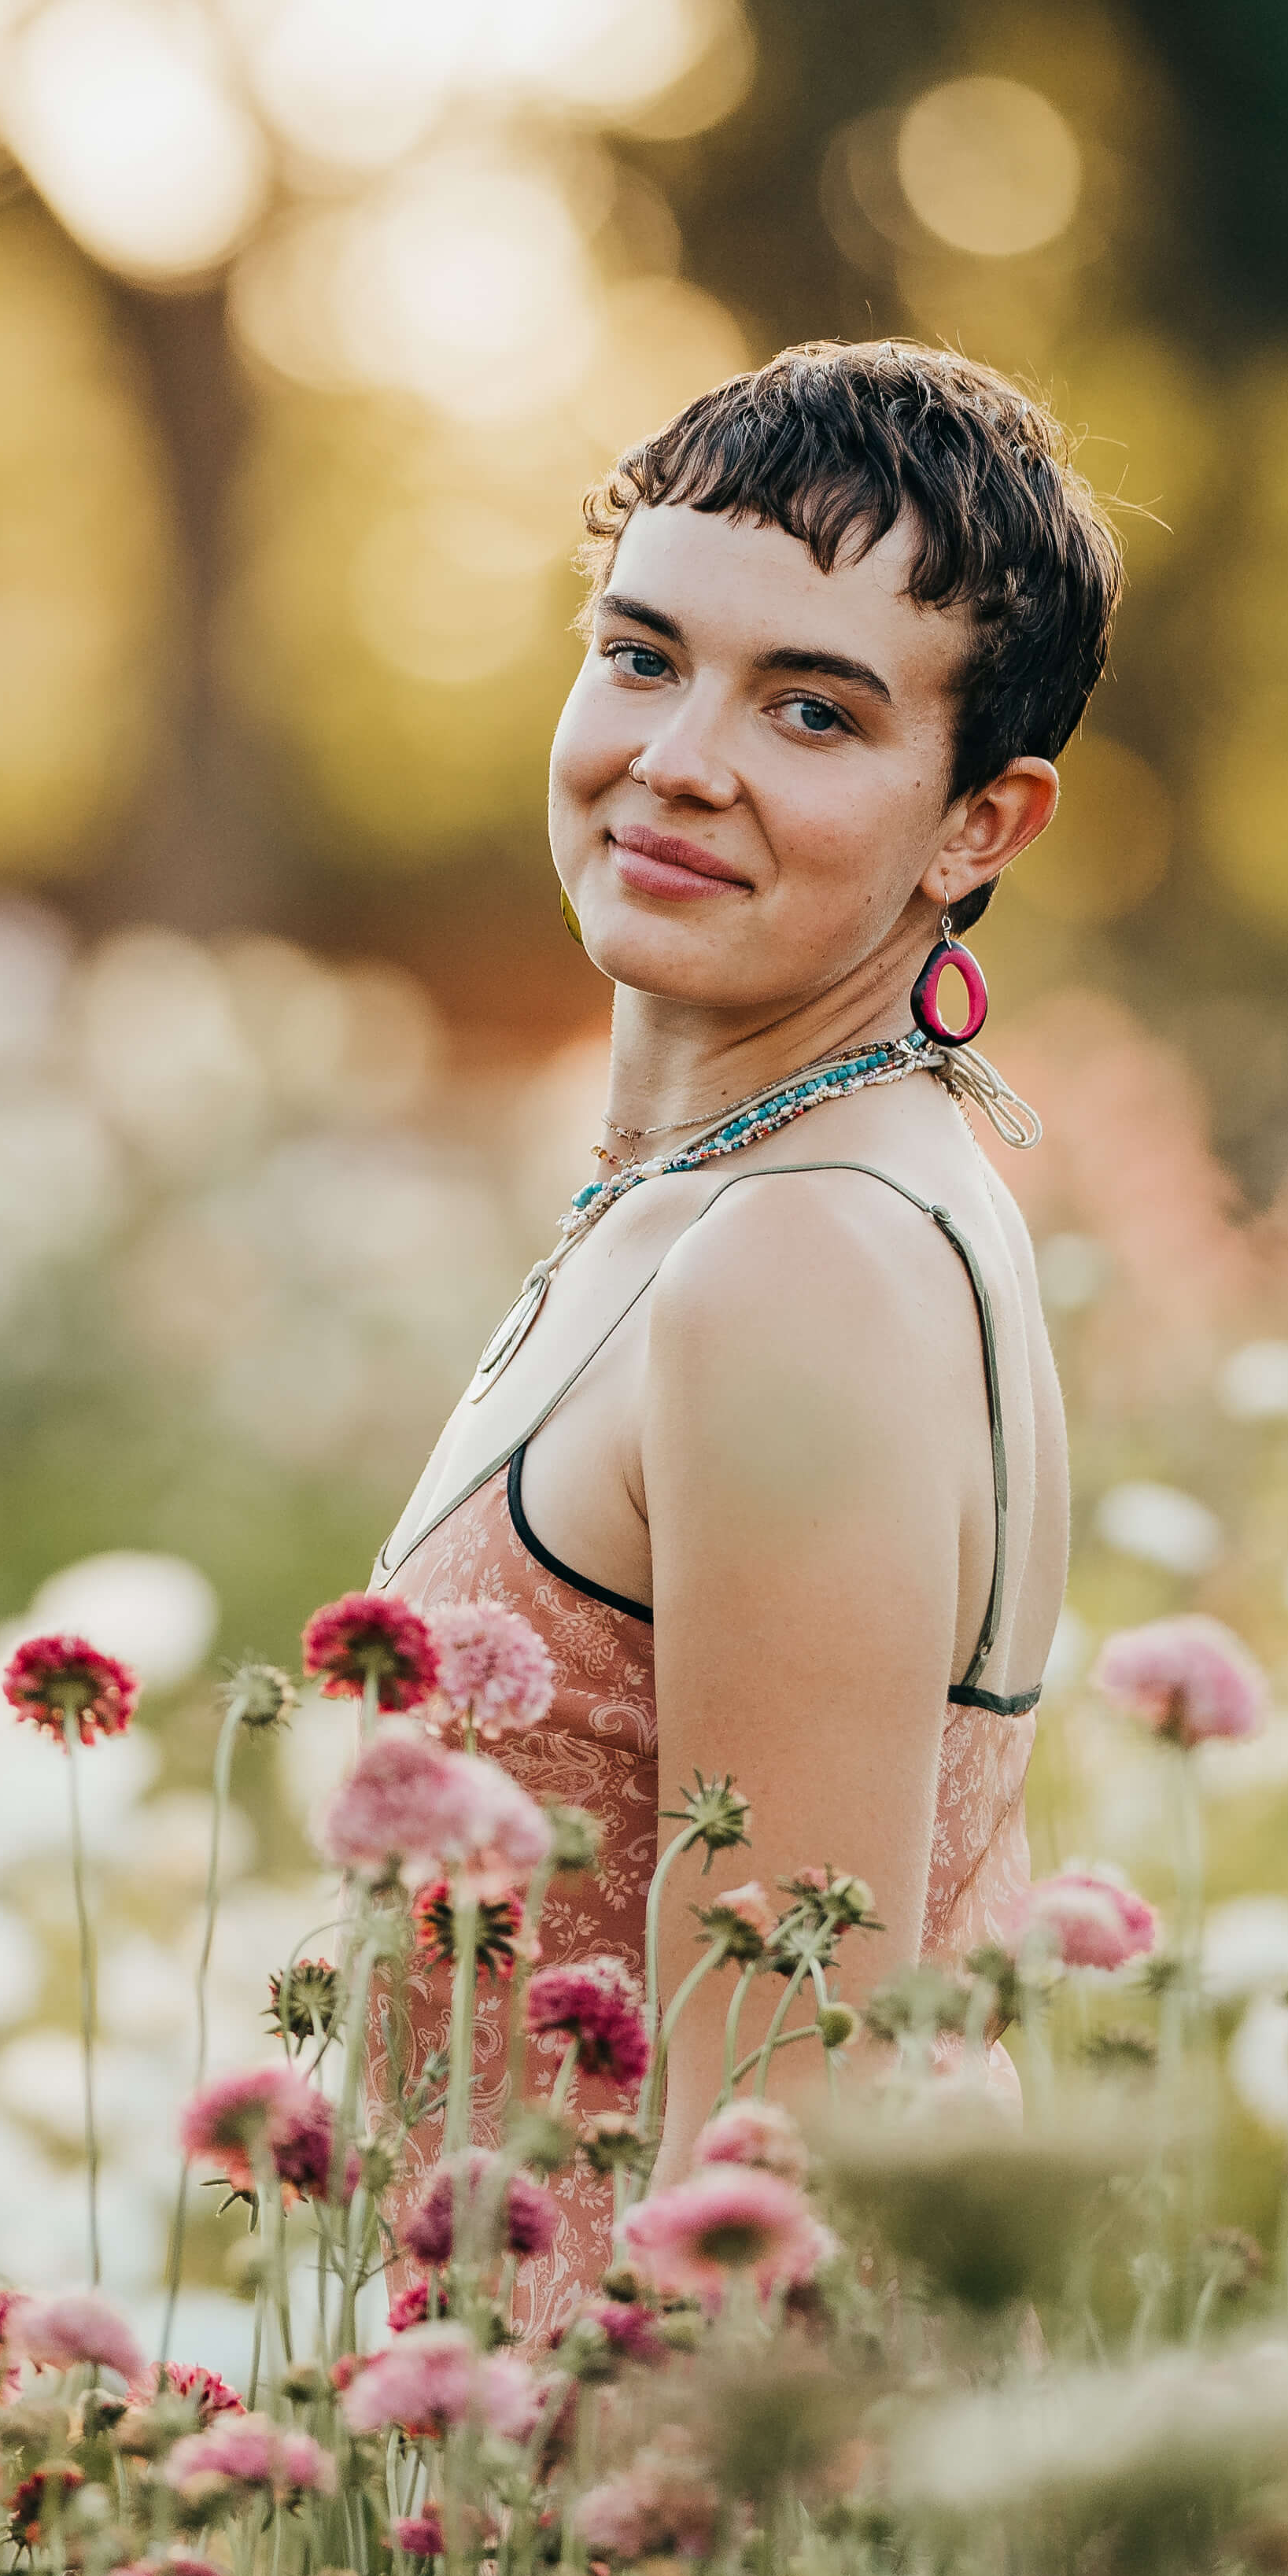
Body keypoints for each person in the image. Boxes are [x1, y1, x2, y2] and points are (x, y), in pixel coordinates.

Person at [362, 338, 1113, 2156]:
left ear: (980, 825)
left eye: (814, 712)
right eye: (641, 657)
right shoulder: (743, 1193)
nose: (675, 763)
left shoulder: (807, 1269)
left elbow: (780, 2163)